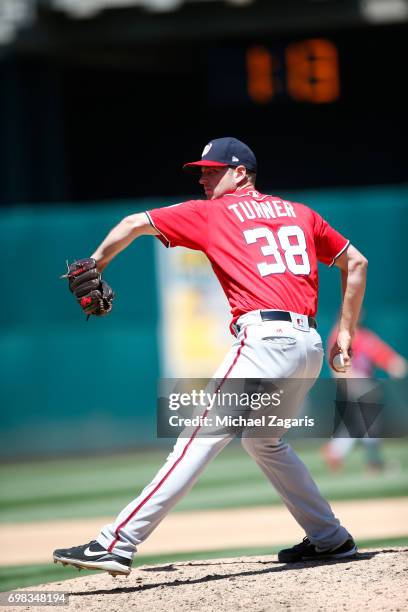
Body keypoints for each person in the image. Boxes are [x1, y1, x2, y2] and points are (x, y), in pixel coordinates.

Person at [53, 137, 367, 576]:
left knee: (195, 441)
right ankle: (331, 540)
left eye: (212, 169)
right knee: (265, 442)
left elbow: (132, 223)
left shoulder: (213, 213)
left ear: (241, 173)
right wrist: (347, 332)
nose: (203, 177)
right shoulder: (302, 213)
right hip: (306, 346)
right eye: (201, 170)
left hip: (263, 343)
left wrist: (97, 263)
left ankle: (116, 542)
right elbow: (356, 261)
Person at [321, 320, 407, 472]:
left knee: (357, 425)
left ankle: (335, 452)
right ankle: (372, 462)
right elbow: (337, 364)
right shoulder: (339, 335)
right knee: (368, 423)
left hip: (364, 384)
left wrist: (393, 362)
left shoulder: (363, 336)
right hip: (354, 384)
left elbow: (382, 354)